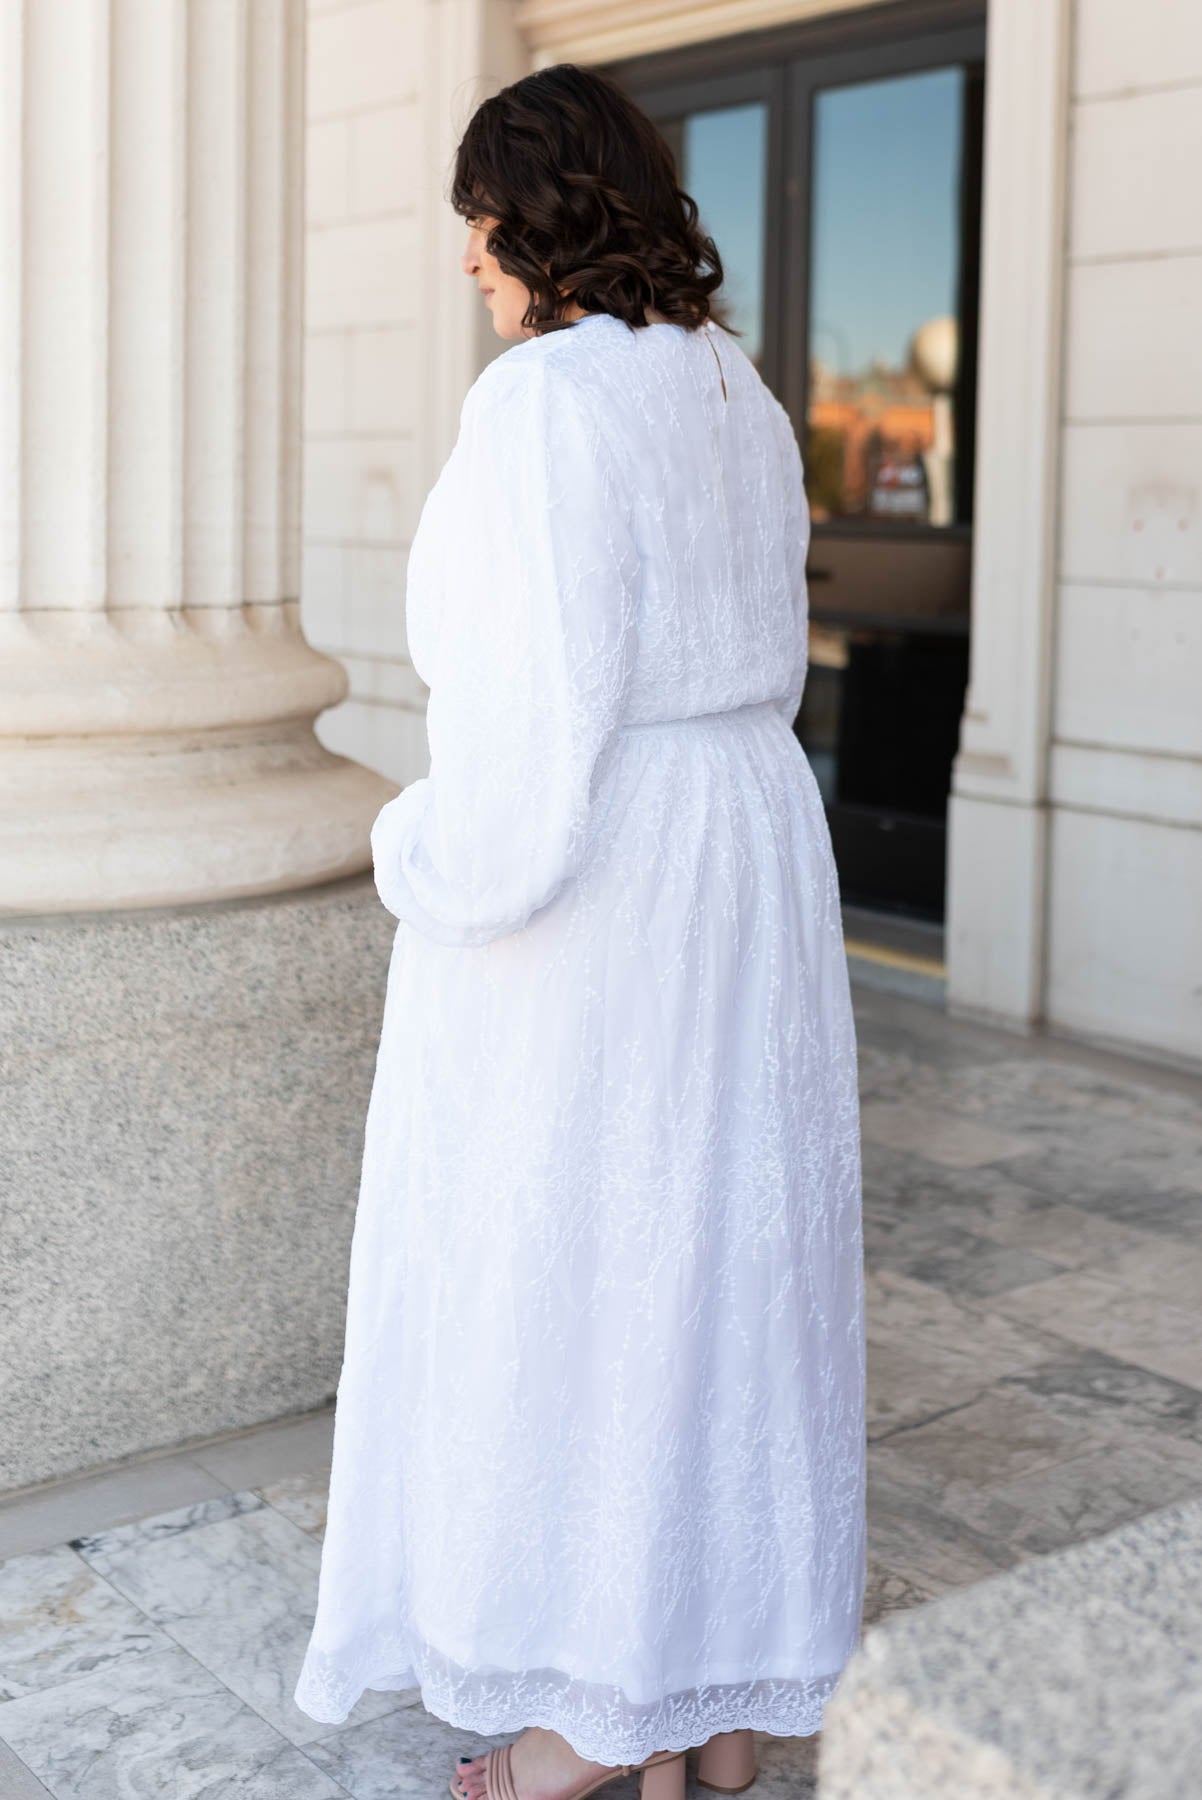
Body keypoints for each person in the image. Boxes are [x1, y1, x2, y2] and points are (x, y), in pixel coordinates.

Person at [293, 61, 866, 1800]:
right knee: (720, 1276)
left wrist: (413, 851)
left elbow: (533, 735)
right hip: (747, 853)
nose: (467, 251)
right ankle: (711, 1706)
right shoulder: (734, 387)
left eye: (480, 212)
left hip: (606, 879)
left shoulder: (544, 404)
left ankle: (578, 1721)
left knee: (581, 1280)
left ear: (528, 208)